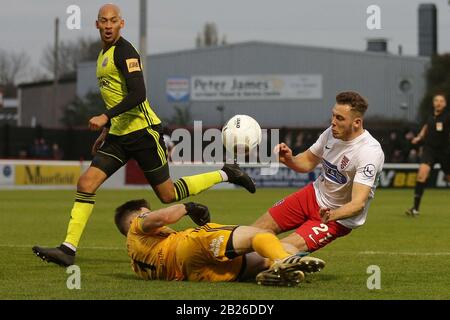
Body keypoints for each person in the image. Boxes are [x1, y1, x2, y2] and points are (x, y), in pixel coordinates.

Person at [32, 4, 255, 267]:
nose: (107, 25)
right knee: (86, 183)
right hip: (118, 135)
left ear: (121, 24)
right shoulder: (103, 55)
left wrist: (105, 116)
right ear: (96, 24)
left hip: (142, 133)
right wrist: (107, 129)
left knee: (167, 195)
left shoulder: (126, 51)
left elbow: (138, 94)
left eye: (113, 21)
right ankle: (68, 249)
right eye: (103, 21)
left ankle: (227, 173)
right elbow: (118, 94)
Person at [252, 91, 385, 254]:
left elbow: (357, 205)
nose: (333, 122)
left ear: (356, 122)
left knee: (275, 252)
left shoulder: (369, 152)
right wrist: (289, 159)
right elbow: (307, 162)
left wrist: (331, 215)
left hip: (336, 217)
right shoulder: (331, 133)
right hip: (311, 195)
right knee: (252, 234)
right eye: (333, 115)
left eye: (340, 118)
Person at [114, 199, 325, 286]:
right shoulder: (137, 225)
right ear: (134, 219)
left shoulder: (136, 264)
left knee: (267, 255)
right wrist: (189, 207)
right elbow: (161, 218)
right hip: (189, 246)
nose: (149, 216)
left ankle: (272, 271)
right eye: (146, 213)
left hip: (195, 275)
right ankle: (286, 260)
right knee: (259, 235)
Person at [405, 93, 450, 216]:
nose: (438, 102)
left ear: (445, 104)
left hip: (445, 152)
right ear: (433, 103)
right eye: (436, 100)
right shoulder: (430, 116)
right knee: (422, 175)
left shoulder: (447, 117)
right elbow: (426, 127)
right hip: (429, 150)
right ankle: (415, 208)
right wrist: (419, 137)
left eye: (441, 101)